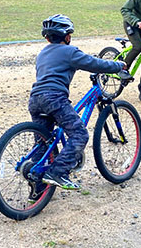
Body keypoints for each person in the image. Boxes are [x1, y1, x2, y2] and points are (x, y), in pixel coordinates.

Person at [28, 14, 126, 194]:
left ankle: (38, 189)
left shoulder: (42, 53)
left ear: (48, 37)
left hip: (35, 99)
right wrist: (118, 66)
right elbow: (95, 63)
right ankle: (57, 172)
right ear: (67, 36)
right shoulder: (70, 51)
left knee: (42, 143)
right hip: (54, 98)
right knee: (79, 134)